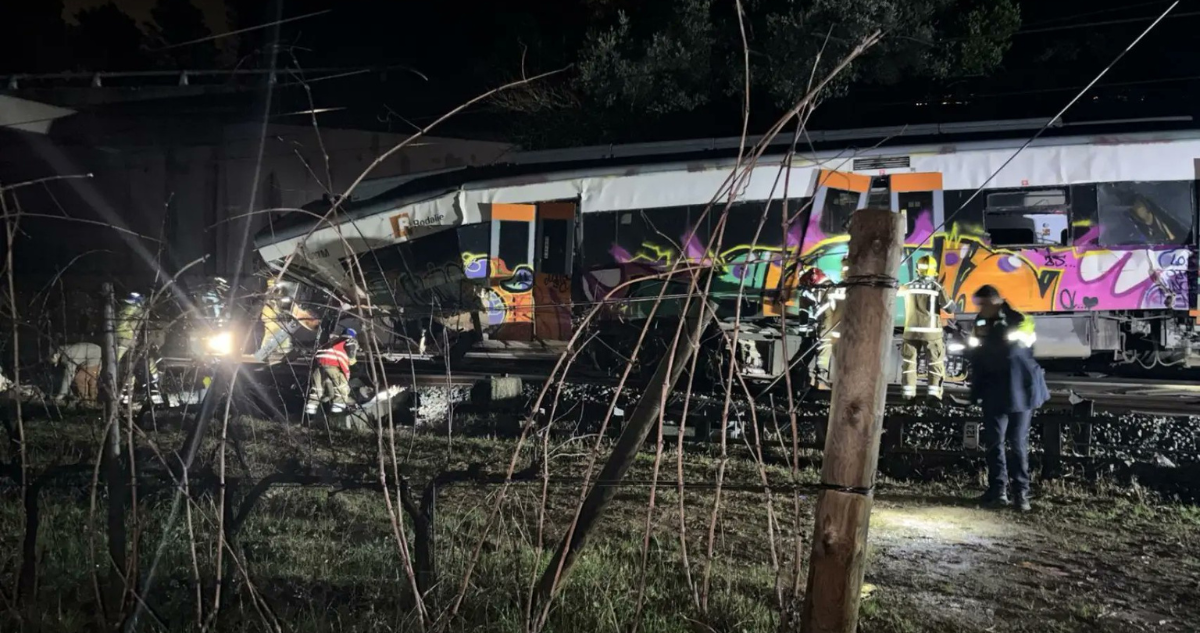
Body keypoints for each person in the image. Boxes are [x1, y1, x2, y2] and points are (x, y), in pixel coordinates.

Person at [968, 285, 1048, 512]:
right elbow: (978, 354)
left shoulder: (1019, 319)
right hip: (996, 390)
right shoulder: (981, 321)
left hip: (1019, 389)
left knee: (1016, 443)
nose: (980, 309)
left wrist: (990, 343)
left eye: (983, 304)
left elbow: (1014, 350)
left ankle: (1020, 493)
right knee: (994, 442)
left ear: (995, 301)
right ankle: (998, 490)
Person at [898, 255, 956, 401]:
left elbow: (893, 293)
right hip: (932, 334)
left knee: (909, 363)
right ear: (933, 270)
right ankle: (933, 397)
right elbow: (950, 308)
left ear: (918, 269)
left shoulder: (908, 286)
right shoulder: (937, 287)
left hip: (910, 333)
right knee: (935, 363)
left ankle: (908, 396)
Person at [812, 257, 848, 389]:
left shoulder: (835, 289)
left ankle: (822, 375)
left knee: (828, 347)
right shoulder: (855, 289)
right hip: (845, 330)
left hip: (836, 329)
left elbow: (826, 310)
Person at [305, 328, 359, 415]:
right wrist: (353, 362)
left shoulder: (331, 340)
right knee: (341, 385)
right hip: (333, 364)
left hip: (319, 364)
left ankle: (311, 406)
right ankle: (338, 405)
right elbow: (351, 352)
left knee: (317, 387)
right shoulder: (349, 340)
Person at [255, 278, 296, 363]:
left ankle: (275, 356)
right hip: (276, 327)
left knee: (281, 341)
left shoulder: (278, 299)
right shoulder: (270, 301)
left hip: (280, 329)